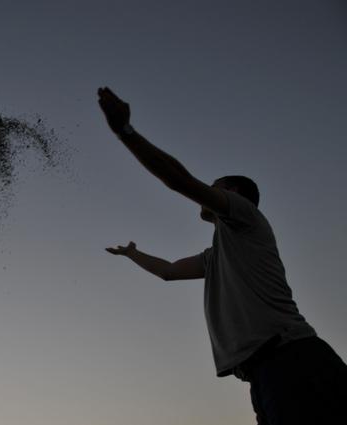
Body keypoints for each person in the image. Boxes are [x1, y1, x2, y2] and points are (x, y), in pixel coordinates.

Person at [97, 86, 347, 424]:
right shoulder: (216, 255)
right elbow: (169, 271)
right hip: (264, 372)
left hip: (293, 358)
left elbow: (178, 180)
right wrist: (133, 254)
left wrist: (125, 132)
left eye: (214, 187)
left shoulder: (245, 216)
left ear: (233, 193)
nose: (207, 193)